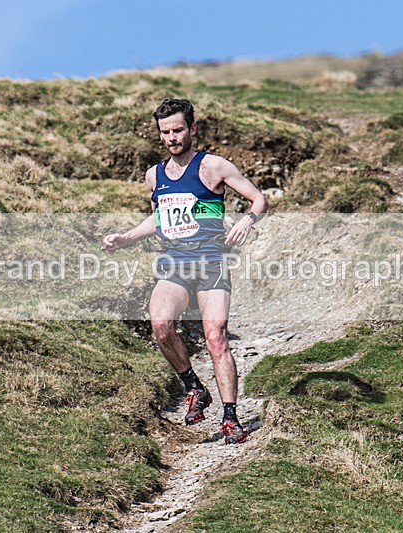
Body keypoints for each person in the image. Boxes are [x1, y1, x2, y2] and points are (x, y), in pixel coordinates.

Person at [102, 98, 268, 445]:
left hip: (210, 264)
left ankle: (230, 417)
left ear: (192, 129)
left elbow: (259, 199)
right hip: (174, 263)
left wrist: (247, 222)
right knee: (160, 325)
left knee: (215, 337)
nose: (172, 138)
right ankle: (194, 387)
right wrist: (126, 238)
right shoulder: (155, 175)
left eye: (178, 130)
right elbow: (159, 217)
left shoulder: (214, 167)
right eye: (165, 132)